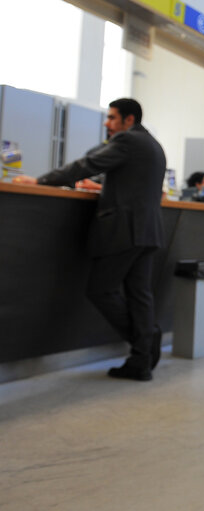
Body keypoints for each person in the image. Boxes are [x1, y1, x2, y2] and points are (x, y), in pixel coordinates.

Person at [13, 98, 166, 382]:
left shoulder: (127, 141)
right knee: (140, 295)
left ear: (128, 120)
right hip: (149, 230)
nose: (107, 123)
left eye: (111, 118)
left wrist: (40, 181)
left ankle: (144, 342)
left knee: (101, 290)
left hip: (124, 230)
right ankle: (141, 358)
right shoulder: (153, 145)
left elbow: (87, 164)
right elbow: (133, 183)